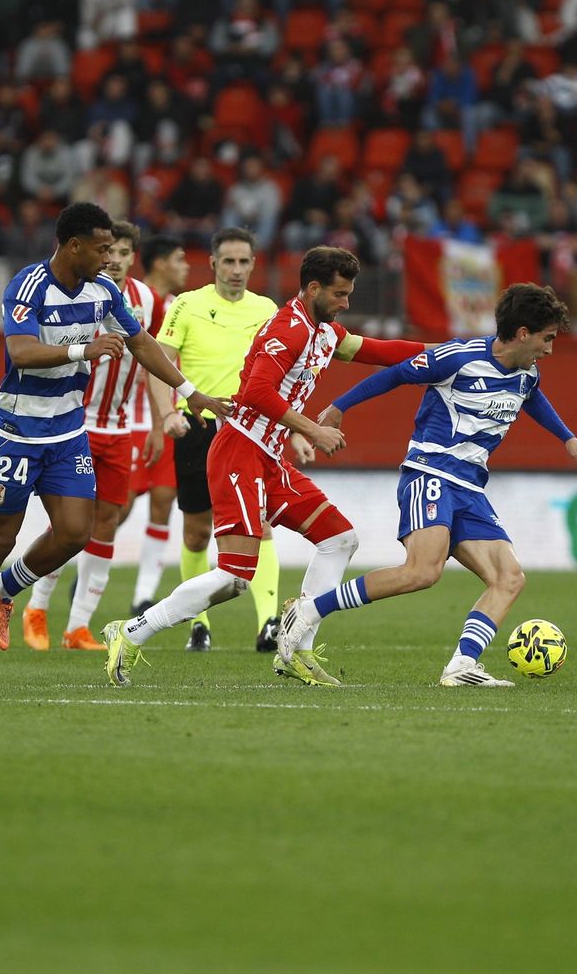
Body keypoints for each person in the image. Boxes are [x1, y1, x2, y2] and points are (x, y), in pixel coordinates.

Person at [103, 246, 428, 687]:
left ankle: (295, 649)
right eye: (339, 294)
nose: (345, 303)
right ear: (313, 288)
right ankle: (130, 632)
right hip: (239, 450)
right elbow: (256, 393)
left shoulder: (325, 330)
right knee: (237, 576)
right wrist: (312, 430)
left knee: (339, 538)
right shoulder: (288, 327)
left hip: (269, 458)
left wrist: (443, 351)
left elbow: (372, 349)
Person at [0, 202, 227, 686]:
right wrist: (85, 349)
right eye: (101, 249)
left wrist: (190, 393)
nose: (109, 259)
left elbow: (140, 342)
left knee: (77, 533)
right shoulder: (28, 285)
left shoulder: (103, 292)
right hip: (15, 429)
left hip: (67, 429)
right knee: (0, 539)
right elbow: (21, 352)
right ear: (73, 246)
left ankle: (5, 592)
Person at [279, 284, 577, 687]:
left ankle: (462, 666)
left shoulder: (526, 373)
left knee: (509, 578)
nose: (549, 349)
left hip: (471, 489)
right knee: (422, 571)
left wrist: (568, 439)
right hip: (430, 474)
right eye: (547, 338)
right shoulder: (460, 358)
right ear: (522, 333)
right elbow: (397, 373)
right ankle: (309, 610)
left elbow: (532, 396)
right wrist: (339, 407)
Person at [17, 221, 163, 651]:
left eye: (122, 252)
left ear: (134, 257)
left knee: (106, 525)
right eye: (108, 251)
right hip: (73, 423)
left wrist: (157, 422)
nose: (113, 259)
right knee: (66, 524)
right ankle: (37, 609)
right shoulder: (77, 291)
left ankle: (78, 627)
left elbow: (152, 359)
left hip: (119, 428)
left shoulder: (149, 301)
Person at [146, 227, 281, 652]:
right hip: (198, 428)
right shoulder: (186, 305)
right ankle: (198, 625)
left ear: (253, 264)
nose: (236, 270)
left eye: (244, 262)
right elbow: (157, 364)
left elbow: (284, 372)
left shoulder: (267, 309)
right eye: (229, 261)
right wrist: (167, 412)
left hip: (251, 429)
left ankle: (270, 624)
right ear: (213, 264)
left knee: (260, 526)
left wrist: (292, 428)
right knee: (196, 533)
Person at [122, 234, 192, 615]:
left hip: (165, 416)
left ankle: (143, 596)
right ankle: (77, 574)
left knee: (164, 502)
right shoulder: (134, 301)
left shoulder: (180, 307)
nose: (186, 266)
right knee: (114, 509)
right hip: (127, 418)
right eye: (180, 258)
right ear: (161, 263)